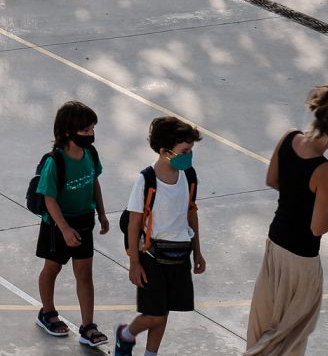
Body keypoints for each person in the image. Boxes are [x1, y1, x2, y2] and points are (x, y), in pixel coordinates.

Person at [244, 86, 328, 356]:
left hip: (275, 244)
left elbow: (273, 180)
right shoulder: (326, 170)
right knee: (291, 333)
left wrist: (311, 193)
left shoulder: (289, 137)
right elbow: (317, 227)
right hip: (301, 259)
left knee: (266, 322)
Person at [115, 116, 205, 356]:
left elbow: (191, 213)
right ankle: (126, 334)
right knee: (154, 314)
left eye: (191, 150)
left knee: (163, 313)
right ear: (165, 152)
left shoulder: (188, 175)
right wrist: (134, 263)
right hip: (152, 257)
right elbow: (134, 223)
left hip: (179, 256)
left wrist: (198, 251)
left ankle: (150, 353)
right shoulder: (146, 180)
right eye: (185, 151)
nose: (189, 155)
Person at [31, 101, 110, 346]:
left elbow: (94, 182)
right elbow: (48, 197)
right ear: (67, 132)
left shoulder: (90, 154)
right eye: (85, 130)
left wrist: (102, 213)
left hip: (84, 220)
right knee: (52, 269)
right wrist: (64, 228)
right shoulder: (56, 162)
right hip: (57, 225)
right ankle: (47, 312)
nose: (91, 135)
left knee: (84, 274)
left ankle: (88, 326)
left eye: (92, 129)